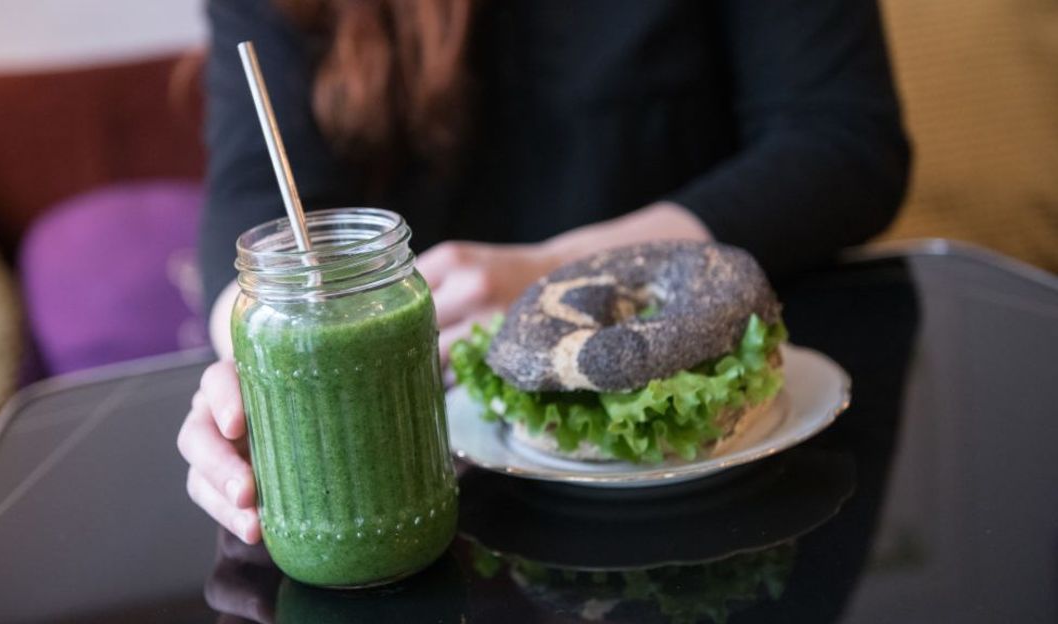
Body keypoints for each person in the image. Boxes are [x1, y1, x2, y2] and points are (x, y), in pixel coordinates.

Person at [178, 0, 910, 545]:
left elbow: (843, 141)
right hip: (440, 481)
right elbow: (253, 190)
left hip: (755, 487)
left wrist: (548, 279)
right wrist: (259, 356)